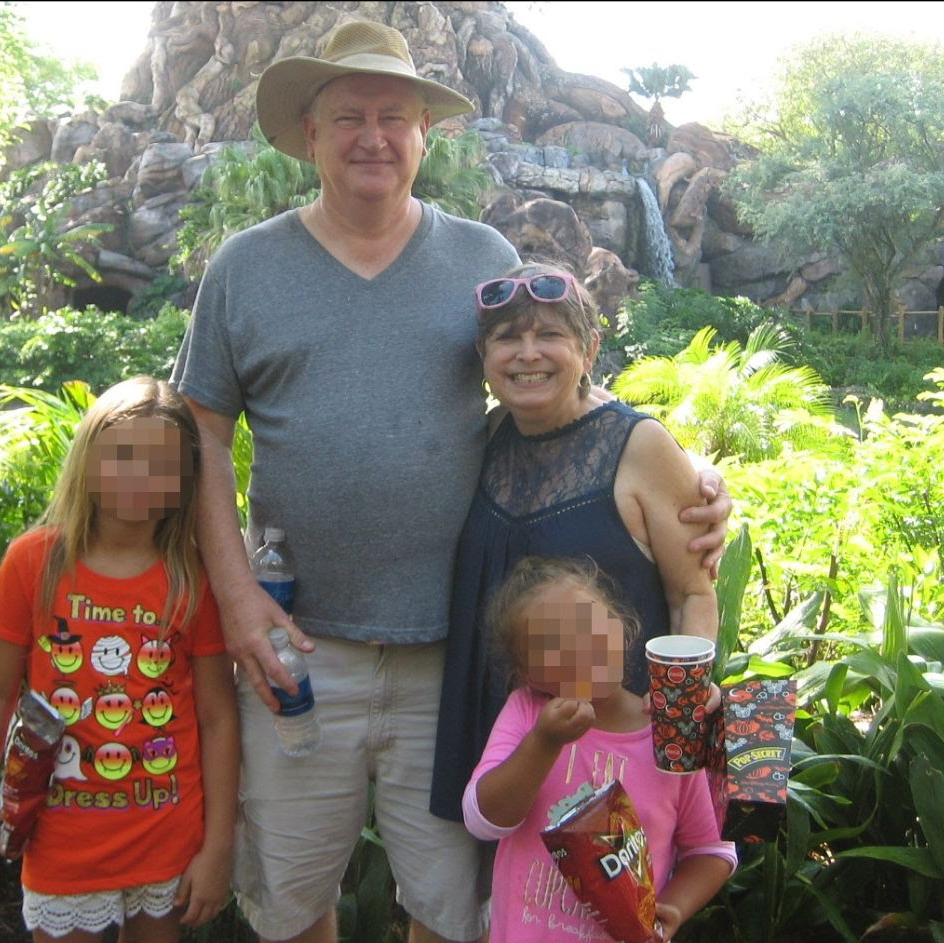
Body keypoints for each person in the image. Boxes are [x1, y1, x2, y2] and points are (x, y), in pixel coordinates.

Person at [170, 20, 730, 943]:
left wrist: (673, 461)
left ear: (427, 133)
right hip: (300, 646)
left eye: (396, 115)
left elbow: (548, 373)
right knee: (292, 891)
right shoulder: (245, 267)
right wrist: (234, 596)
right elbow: (202, 434)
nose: (373, 136)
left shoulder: (481, 260)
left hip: (457, 658)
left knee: (449, 899)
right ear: (309, 133)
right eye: (348, 115)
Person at [431, 262, 721, 823]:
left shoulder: (641, 445)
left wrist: (681, 707)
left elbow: (694, 594)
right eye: (507, 337)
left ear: (589, 351)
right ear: (484, 357)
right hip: (500, 727)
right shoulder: (490, 437)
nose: (527, 353)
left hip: (610, 745)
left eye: (550, 335)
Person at [0, 377, 238, 942]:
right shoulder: (34, 563)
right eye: (123, 457)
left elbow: (217, 717)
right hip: (63, 837)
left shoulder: (192, 577)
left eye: (162, 464)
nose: (140, 478)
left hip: (166, 834)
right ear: (88, 459)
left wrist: (217, 847)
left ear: (187, 482)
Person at [463, 555, 737, 942]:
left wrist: (673, 909)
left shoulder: (670, 735)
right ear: (528, 673)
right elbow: (483, 819)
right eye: (553, 644)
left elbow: (711, 851)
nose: (581, 646)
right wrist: (544, 742)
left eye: (590, 624)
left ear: (620, 625)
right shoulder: (528, 714)